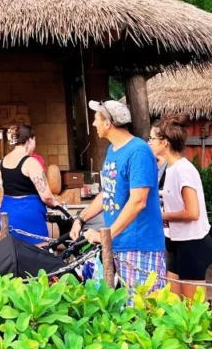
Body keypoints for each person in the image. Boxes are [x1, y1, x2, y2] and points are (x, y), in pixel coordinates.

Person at [70, 100, 166, 292]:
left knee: (139, 311)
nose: (94, 124)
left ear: (108, 123)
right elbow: (108, 191)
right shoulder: (112, 150)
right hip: (118, 244)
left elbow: (138, 201)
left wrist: (105, 236)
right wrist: (81, 218)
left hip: (139, 245)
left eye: (97, 119)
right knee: (118, 310)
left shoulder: (138, 151)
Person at [149, 121, 212, 299]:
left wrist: (161, 216)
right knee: (173, 303)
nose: (149, 142)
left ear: (165, 142)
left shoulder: (183, 170)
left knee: (193, 308)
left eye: (152, 138)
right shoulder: (170, 169)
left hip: (193, 243)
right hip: (176, 241)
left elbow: (193, 212)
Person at [0, 124, 58, 244]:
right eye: (34, 140)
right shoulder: (31, 162)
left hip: (7, 212)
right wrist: (56, 204)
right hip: (28, 215)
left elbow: (1, 184)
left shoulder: (4, 160)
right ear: (29, 139)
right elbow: (45, 195)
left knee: (13, 253)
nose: (35, 144)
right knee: (38, 255)